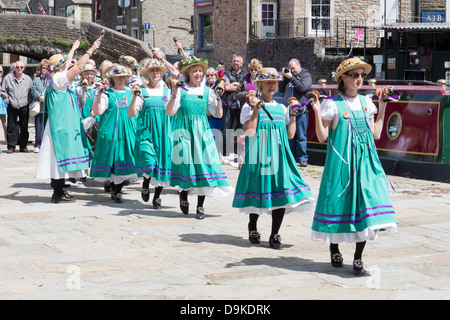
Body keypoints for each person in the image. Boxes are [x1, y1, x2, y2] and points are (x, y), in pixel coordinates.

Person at [310, 57, 398, 275]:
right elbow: (322, 137)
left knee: (367, 207)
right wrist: (315, 111)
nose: (360, 79)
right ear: (343, 78)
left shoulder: (367, 102)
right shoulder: (333, 104)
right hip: (341, 165)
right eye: (355, 75)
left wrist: (383, 106)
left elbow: (375, 133)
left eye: (362, 75)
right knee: (339, 205)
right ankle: (334, 247)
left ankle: (358, 257)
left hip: (365, 165)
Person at [232, 67, 315, 249]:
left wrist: (293, 116)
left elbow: (290, 135)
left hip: (279, 156)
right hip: (258, 154)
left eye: (274, 83)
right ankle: (252, 226)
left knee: (281, 193)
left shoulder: (281, 108)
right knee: (257, 190)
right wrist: (255, 110)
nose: (271, 86)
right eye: (268, 83)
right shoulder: (250, 106)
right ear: (260, 85)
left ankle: (275, 233)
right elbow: (249, 131)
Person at [166, 56, 233, 219]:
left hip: (202, 133)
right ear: (188, 73)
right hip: (184, 133)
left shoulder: (207, 91)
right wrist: (174, 93)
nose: (198, 74)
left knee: (204, 167)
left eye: (200, 71)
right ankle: (183, 193)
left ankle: (200, 207)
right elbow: (169, 112)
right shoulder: (181, 90)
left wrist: (218, 97)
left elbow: (218, 114)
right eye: (194, 71)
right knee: (187, 166)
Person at [36, 38, 101, 203]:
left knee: (60, 158)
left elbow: (71, 66)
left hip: (64, 124)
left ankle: (59, 191)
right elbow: (78, 66)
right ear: (59, 67)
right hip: (61, 126)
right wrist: (91, 49)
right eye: (65, 64)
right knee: (59, 157)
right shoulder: (59, 79)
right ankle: (57, 194)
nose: (69, 65)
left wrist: (73, 48)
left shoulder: (59, 79)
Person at [91, 64, 140, 203]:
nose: (121, 79)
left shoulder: (131, 92)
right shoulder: (107, 93)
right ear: (113, 79)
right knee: (112, 159)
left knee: (124, 158)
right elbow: (98, 111)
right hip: (112, 131)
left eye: (123, 77)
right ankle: (115, 188)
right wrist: (98, 94)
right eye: (118, 77)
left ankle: (117, 189)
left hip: (128, 132)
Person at [129, 59, 173, 209]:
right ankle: (146, 182)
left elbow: (174, 111)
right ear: (147, 74)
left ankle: (157, 196)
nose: (155, 73)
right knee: (149, 162)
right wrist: (134, 96)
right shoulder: (142, 91)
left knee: (161, 165)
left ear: (161, 73)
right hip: (146, 133)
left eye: (157, 70)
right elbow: (131, 113)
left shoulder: (168, 92)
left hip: (163, 133)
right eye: (152, 70)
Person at [279, 59, 312, 167]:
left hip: (300, 111)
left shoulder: (305, 75)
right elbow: (281, 89)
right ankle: (290, 157)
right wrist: (285, 77)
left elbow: (303, 88)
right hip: (288, 112)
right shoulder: (289, 77)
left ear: (299, 66)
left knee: (301, 136)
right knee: (290, 136)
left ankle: (302, 158)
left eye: (293, 68)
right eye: (290, 69)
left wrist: (291, 78)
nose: (292, 71)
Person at [1, 61, 33, 153]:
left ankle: (23, 146)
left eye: (21, 67)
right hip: (12, 105)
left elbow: (31, 92)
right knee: (11, 127)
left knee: (24, 127)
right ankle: (11, 146)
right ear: (14, 68)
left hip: (24, 105)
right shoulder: (8, 78)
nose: (19, 69)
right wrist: (8, 101)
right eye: (17, 67)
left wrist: (28, 102)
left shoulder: (27, 79)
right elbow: (3, 91)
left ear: (24, 68)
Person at [222, 54, 246, 159]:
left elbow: (245, 88)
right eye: (234, 61)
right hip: (229, 104)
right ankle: (226, 152)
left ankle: (239, 152)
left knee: (241, 129)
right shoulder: (227, 73)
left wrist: (234, 86)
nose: (235, 63)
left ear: (241, 63)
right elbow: (226, 87)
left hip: (241, 106)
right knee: (227, 129)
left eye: (238, 61)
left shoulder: (246, 74)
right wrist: (237, 87)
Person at [31, 59, 49, 153]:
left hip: (49, 108)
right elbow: (33, 91)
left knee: (48, 127)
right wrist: (39, 97)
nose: (45, 70)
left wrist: (46, 97)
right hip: (39, 108)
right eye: (43, 68)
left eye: (47, 68)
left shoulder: (51, 80)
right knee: (38, 127)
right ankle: (38, 144)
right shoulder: (36, 80)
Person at [205, 67, 223, 153]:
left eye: (212, 75)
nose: (209, 77)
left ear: (215, 76)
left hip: (215, 115)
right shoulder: (203, 86)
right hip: (205, 115)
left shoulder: (219, 85)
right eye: (207, 75)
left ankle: (215, 155)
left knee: (214, 135)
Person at [0, 66, 7, 151]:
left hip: (3, 104)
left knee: (6, 125)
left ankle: (8, 143)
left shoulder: (5, 80)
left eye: (0, 71)